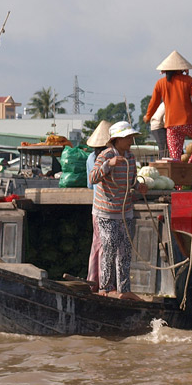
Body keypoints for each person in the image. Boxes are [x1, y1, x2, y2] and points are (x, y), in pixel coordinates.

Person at [88, 121, 148, 301]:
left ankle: (124, 289)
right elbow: (93, 177)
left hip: (124, 211)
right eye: (128, 137)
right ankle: (105, 288)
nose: (130, 140)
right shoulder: (105, 155)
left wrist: (139, 187)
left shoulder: (130, 157)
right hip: (106, 212)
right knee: (109, 248)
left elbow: (132, 182)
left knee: (125, 250)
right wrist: (109, 165)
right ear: (117, 139)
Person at [143, 50, 192, 163]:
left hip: (172, 126)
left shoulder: (160, 83)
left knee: (175, 157)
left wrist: (148, 117)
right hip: (191, 122)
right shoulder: (189, 80)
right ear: (181, 68)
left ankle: (177, 176)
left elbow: (154, 102)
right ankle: (191, 163)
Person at [84, 120, 111, 292]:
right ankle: (102, 284)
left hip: (96, 207)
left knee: (97, 245)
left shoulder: (90, 158)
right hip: (104, 208)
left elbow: (89, 185)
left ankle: (93, 281)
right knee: (104, 247)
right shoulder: (107, 159)